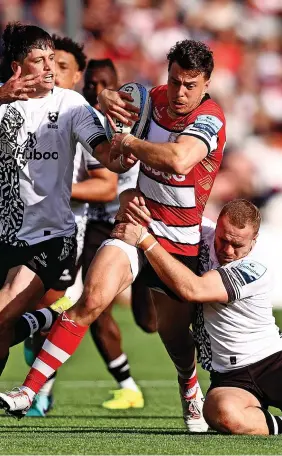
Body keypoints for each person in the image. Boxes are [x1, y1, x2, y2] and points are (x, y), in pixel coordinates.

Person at [0, 39, 226, 432]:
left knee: (171, 336)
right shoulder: (153, 98)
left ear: (206, 82)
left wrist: (129, 142)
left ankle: (189, 389)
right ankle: (29, 390)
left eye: (190, 85)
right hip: (133, 227)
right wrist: (105, 95)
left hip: (179, 241)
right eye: (174, 81)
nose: (180, 92)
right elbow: (122, 94)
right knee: (91, 300)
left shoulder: (210, 117)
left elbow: (179, 159)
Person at [0, 22, 129, 381]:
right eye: (39, 60)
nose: (48, 69)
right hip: (5, 234)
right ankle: (45, 319)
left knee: (2, 313)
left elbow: (109, 159)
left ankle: (44, 320)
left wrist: (125, 143)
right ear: (16, 67)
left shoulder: (70, 104)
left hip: (51, 236)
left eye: (52, 60)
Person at [108, 198, 282, 436]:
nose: (227, 250)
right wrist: (129, 198)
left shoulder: (254, 269)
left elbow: (194, 290)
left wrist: (144, 239)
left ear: (254, 241)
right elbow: (164, 213)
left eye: (237, 244)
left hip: (272, 361)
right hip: (231, 377)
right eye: (223, 239)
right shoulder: (200, 234)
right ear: (217, 225)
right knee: (219, 413)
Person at [23, 38, 118, 417]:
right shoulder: (21, 109)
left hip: (61, 234)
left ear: (78, 75)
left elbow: (106, 184)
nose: (52, 72)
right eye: (47, 63)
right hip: (16, 226)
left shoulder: (77, 114)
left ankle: (38, 388)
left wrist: (52, 191)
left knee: (35, 311)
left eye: (62, 66)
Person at [82, 59, 157, 410]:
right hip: (99, 227)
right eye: (92, 84)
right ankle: (128, 386)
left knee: (149, 321)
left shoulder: (139, 119)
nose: (97, 90)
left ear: (117, 87)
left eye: (104, 84)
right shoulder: (81, 120)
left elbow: (111, 184)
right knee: (94, 305)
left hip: (138, 222)